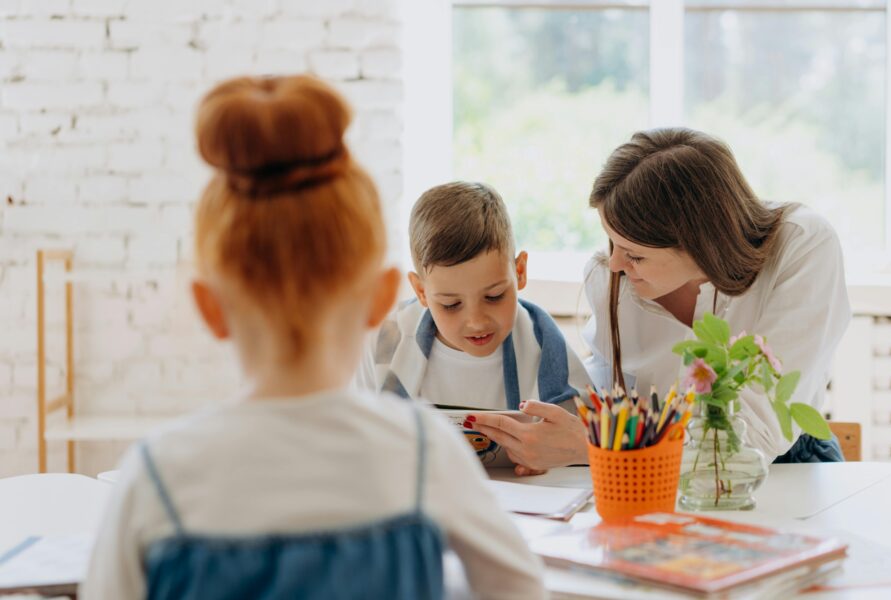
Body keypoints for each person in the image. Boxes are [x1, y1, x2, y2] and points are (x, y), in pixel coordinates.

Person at [82, 76, 546, 599]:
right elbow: (520, 592)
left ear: (209, 307)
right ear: (382, 298)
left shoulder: (155, 478)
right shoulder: (423, 455)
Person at [472, 127, 848, 468]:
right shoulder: (609, 277)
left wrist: (591, 445)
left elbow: (755, 434)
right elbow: (611, 390)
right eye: (611, 241)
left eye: (635, 254)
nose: (616, 264)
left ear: (701, 244)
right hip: (649, 469)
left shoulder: (802, 245)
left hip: (784, 470)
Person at [355, 181, 591, 472]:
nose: (477, 321)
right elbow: (356, 442)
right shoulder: (382, 342)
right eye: (451, 304)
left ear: (519, 272)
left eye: (494, 296)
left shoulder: (544, 342)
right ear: (420, 291)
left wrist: (557, 455)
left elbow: (590, 445)